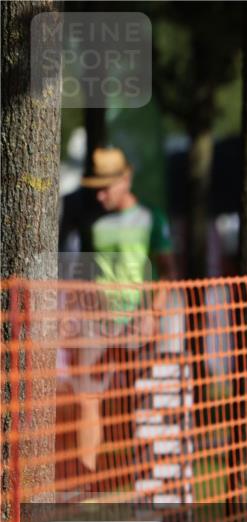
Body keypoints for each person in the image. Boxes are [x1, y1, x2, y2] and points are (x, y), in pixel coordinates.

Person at [57, 146, 178, 488]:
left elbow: (168, 271)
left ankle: (144, 479)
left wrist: (153, 314)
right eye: (96, 186)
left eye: (106, 186)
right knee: (88, 400)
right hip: (97, 320)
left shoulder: (151, 217)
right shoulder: (91, 219)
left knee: (140, 401)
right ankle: (88, 480)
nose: (100, 194)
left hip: (139, 321)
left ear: (126, 179)